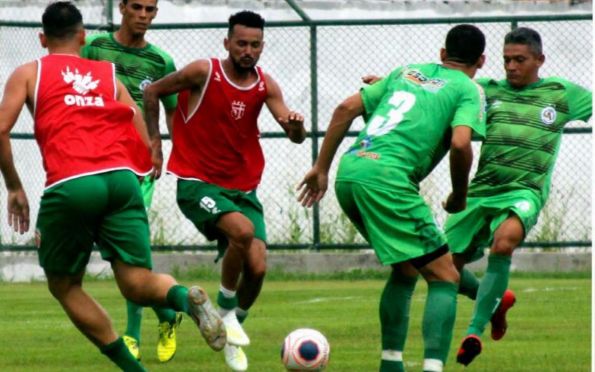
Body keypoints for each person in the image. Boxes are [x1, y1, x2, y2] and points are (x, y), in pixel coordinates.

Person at [0, 2, 226, 371]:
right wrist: (138, 169)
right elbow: (135, 117)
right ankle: (185, 299)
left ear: (42, 38)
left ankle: (134, 370)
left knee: (65, 285)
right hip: (121, 180)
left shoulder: (29, 72)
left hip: (72, 182)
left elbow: (1, 129)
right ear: (83, 37)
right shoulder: (106, 74)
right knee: (137, 281)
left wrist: (14, 187)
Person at [298, 24, 487, 372]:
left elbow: (344, 108)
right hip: (388, 183)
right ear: (482, 60)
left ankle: (391, 365)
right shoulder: (469, 89)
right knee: (445, 277)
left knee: (405, 268)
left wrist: (321, 168)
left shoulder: (405, 72)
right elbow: (461, 143)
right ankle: (433, 368)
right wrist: (459, 195)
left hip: (351, 173)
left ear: (443, 54)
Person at [143, 10, 306, 372]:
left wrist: (296, 126)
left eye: (256, 44)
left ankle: (230, 328)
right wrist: (155, 143)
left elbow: (294, 134)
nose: (249, 50)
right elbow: (152, 91)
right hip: (197, 182)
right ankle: (225, 309)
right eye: (242, 43)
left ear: (262, 46)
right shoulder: (204, 71)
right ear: (227, 43)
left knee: (259, 269)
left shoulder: (265, 84)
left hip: (243, 189)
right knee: (242, 233)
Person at [446, 27, 592, 366]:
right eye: (507, 60)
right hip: (479, 192)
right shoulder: (485, 91)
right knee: (442, 268)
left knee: (503, 243)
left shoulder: (562, 93)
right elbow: (440, 92)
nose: (511, 67)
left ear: (539, 60)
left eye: (520, 60)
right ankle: (496, 303)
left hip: (524, 192)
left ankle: (473, 331)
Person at [80, 0, 181, 363]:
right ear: (121, 7)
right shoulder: (94, 48)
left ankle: (133, 335)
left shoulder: (161, 62)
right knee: (117, 251)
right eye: (136, 6)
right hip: (94, 160)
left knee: (132, 249)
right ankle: (167, 314)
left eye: (150, 9)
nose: (143, 15)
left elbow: (175, 114)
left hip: (137, 163)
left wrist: (172, 154)